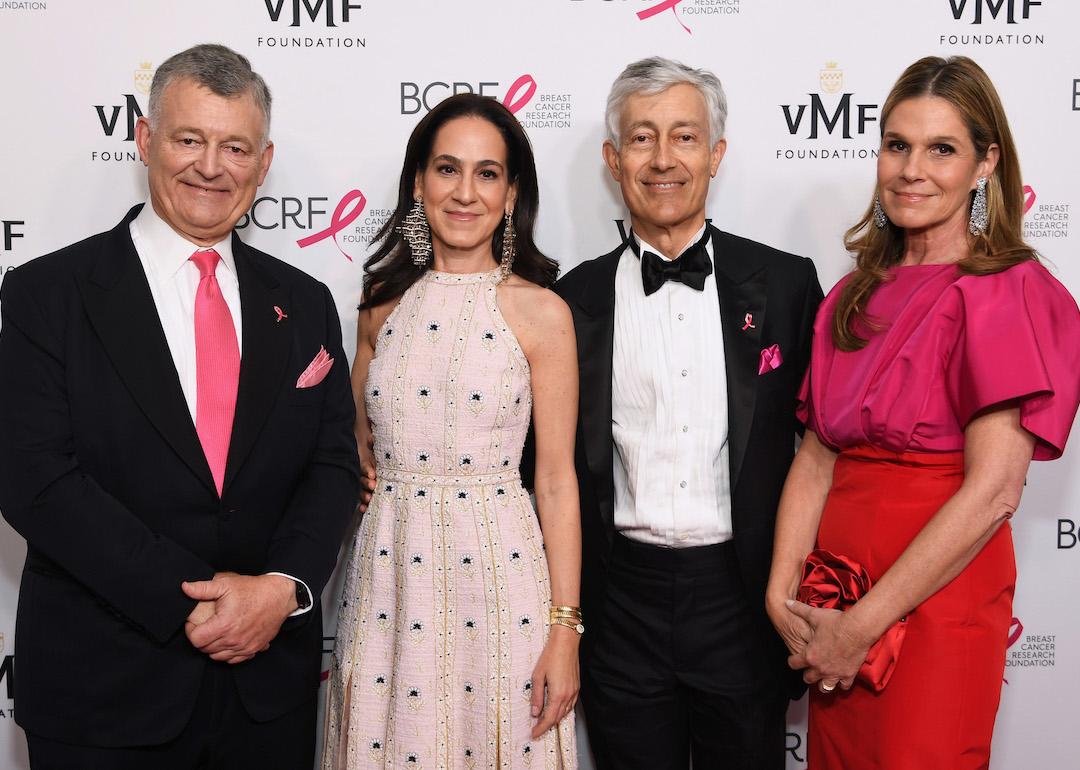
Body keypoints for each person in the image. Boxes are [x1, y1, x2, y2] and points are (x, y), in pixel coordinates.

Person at [0, 44, 359, 769]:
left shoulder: (306, 302)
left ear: (262, 164)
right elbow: (34, 479)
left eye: (235, 147)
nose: (211, 166)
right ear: (144, 139)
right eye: (190, 139)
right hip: (102, 690)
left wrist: (282, 590)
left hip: (266, 696)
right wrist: (186, 600)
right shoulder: (47, 294)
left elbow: (331, 465)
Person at [767, 55, 1080, 769]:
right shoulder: (853, 295)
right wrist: (782, 595)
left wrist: (865, 625)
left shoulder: (1006, 292)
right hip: (834, 590)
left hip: (937, 602)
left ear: (985, 164)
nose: (913, 169)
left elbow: (995, 491)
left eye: (942, 149)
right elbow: (816, 459)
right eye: (897, 144)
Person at [555, 57, 822, 769]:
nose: (663, 159)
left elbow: (824, 451)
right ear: (614, 160)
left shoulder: (788, 285)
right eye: (642, 138)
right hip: (620, 605)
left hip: (744, 598)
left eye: (685, 137)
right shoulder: (569, 301)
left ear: (716, 154)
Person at [323, 93, 580, 769]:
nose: (466, 192)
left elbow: (555, 482)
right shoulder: (379, 304)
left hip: (502, 576)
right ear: (418, 182)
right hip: (388, 578)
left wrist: (565, 631)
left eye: (488, 173)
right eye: (447, 169)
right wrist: (356, 456)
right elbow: (355, 434)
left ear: (512, 190)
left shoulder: (542, 311)